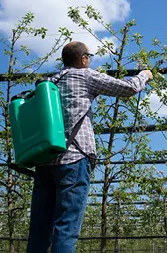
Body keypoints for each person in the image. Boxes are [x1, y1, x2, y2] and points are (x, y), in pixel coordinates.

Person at [26, 41, 153, 252]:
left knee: (39, 230)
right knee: (66, 227)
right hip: (74, 159)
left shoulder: (47, 83)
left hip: (44, 161)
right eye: (90, 57)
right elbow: (129, 88)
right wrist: (145, 75)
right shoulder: (85, 75)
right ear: (84, 59)